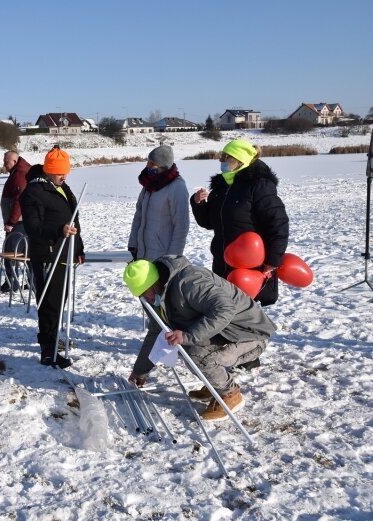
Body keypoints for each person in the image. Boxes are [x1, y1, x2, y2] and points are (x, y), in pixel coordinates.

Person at [123, 256, 275, 421]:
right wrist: (140, 370)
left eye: (147, 293)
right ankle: (215, 385)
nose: (148, 299)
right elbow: (155, 332)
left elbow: (224, 309)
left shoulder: (189, 282)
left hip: (249, 334)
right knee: (189, 349)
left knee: (198, 355)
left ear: (156, 282)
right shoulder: (157, 298)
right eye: (142, 296)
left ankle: (230, 394)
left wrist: (188, 336)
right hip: (224, 332)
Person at [190, 139, 289, 306]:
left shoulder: (259, 185)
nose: (222, 161)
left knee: (245, 312)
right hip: (222, 263)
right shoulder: (221, 187)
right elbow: (209, 222)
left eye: (226, 158)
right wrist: (198, 204)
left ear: (240, 160)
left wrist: (272, 261)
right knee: (224, 309)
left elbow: (278, 223)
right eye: (221, 157)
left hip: (252, 266)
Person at [20, 146, 85, 368]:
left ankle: (53, 340)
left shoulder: (62, 187)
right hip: (47, 255)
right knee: (49, 304)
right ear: (48, 171)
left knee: (59, 302)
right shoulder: (32, 192)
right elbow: (33, 227)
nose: (64, 176)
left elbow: (73, 220)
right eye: (59, 172)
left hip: (65, 253)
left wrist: (79, 249)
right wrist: (59, 231)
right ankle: (48, 352)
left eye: (65, 172)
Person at [127, 145, 189, 261]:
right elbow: (138, 216)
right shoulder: (149, 185)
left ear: (163, 165)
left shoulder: (177, 187)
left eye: (152, 163)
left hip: (163, 255)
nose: (147, 166)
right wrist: (133, 243)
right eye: (148, 162)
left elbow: (181, 225)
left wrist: (172, 258)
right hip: (142, 252)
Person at [0, 151, 32, 295]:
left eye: (6, 162)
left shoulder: (19, 175)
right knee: (26, 252)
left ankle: (12, 283)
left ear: (15, 161)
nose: (4, 165)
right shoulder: (19, 171)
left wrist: (11, 221)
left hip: (18, 222)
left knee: (10, 253)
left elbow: (20, 200)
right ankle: (31, 281)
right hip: (20, 222)